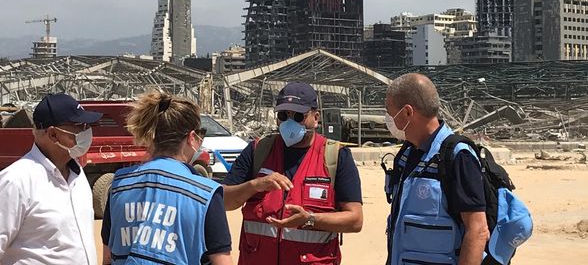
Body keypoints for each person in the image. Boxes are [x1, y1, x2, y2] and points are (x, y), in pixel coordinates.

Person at [223, 82, 363, 265]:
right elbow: (224, 200)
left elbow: (355, 220)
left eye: (298, 116)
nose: (289, 122)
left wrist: (311, 219)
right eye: (283, 115)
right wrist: (255, 185)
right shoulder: (259, 151)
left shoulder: (336, 156)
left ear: (316, 117)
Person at [101, 90, 232, 265]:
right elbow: (222, 261)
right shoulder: (205, 194)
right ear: (191, 137)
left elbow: (107, 257)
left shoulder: (119, 185)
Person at [384, 73, 489, 265]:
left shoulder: (458, 156)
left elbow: (478, 230)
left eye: (389, 112)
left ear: (408, 112)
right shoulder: (406, 155)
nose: (388, 119)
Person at [0, 93, 102, 264]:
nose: (86, 132)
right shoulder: (15, 182)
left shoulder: (78, 176)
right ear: (53, 134)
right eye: (79, 126)